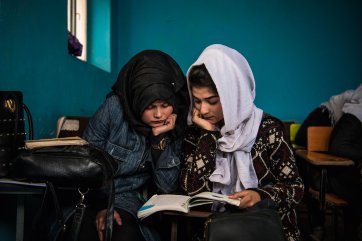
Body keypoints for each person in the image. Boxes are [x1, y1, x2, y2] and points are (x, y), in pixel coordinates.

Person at [180, 44, 304, 241]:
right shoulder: (196, 131)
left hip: (264, 229)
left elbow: (295, 188)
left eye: (211, 101)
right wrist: (209, 135)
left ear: (233, 95)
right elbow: (192, 192)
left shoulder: (268, 129)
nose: (202, 110)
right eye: (197, 100)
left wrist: (259, 195)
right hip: (213, 231)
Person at [80, 50, 189, 241]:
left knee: (123, 233)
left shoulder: (174, 124)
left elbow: (167, 186)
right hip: (92, 197)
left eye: (165, 105)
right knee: (88, 232)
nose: (159, 115)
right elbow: (84, 166)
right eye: (149, 106)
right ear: (136, 100)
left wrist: (159, 141)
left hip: (134, 201)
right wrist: (104, 206)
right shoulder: (114, 108)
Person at [296, 84, 362, 241]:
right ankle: (318, 225)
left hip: (339, 137)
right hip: (323, 118)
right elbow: (339, 145)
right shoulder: (357, 110)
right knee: (303, 161)